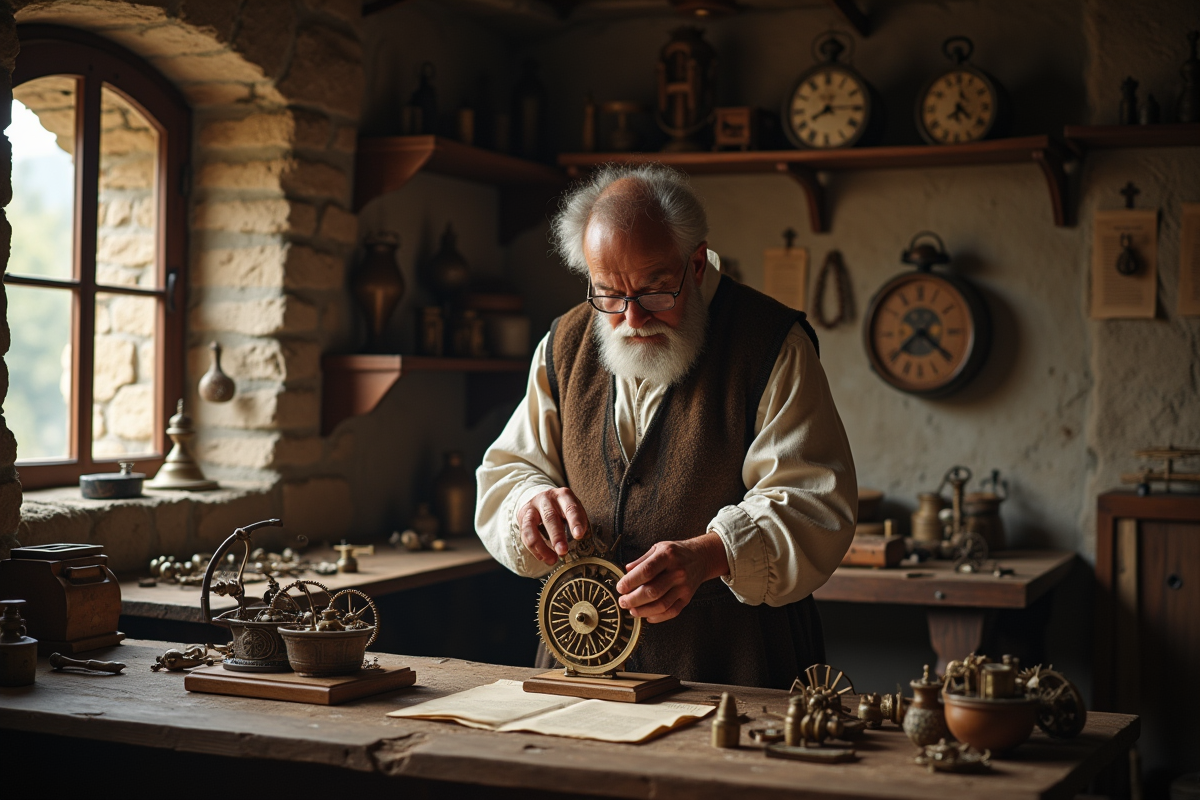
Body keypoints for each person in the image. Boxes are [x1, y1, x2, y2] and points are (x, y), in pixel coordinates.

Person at [475, 164, 856, 689]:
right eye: (609, 294)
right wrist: (528, 502)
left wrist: (713, 553)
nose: (632, 318)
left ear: (695, 264)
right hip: (584, 669)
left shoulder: (771, 346)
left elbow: (814, 503)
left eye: (654, 291)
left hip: (734, 669)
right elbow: (509, 469)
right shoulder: (563, 344)